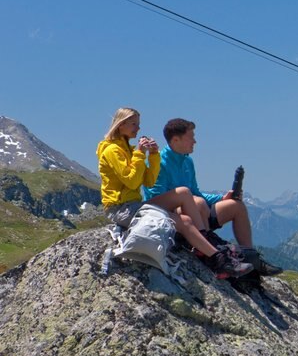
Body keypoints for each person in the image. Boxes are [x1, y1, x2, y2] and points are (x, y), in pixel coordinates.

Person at [97, 107, 252, 279]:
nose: (138, 128)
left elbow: (148, 180)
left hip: (134, 204)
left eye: (138, 124)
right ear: (120, 125)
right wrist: (140, 154)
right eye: (134, 124)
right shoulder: (112, 150)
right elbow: (132, 181)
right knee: (185, 219)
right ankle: (217, 259)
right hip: (120, 208)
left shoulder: (128, 150)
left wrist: (153, 155)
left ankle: (209, 243)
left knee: (184, 194)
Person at [144, 117, 282, 276]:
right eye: (191, 137)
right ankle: (214, 256)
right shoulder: (159, 162)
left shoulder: (188, 162)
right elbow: (157, 199)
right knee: (198, 202)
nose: (194, 141)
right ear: (176, 139)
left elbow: (196, 192)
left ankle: (252, 259)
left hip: (198, 212)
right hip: (179, 219)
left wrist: (222, 198)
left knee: (236, 205)